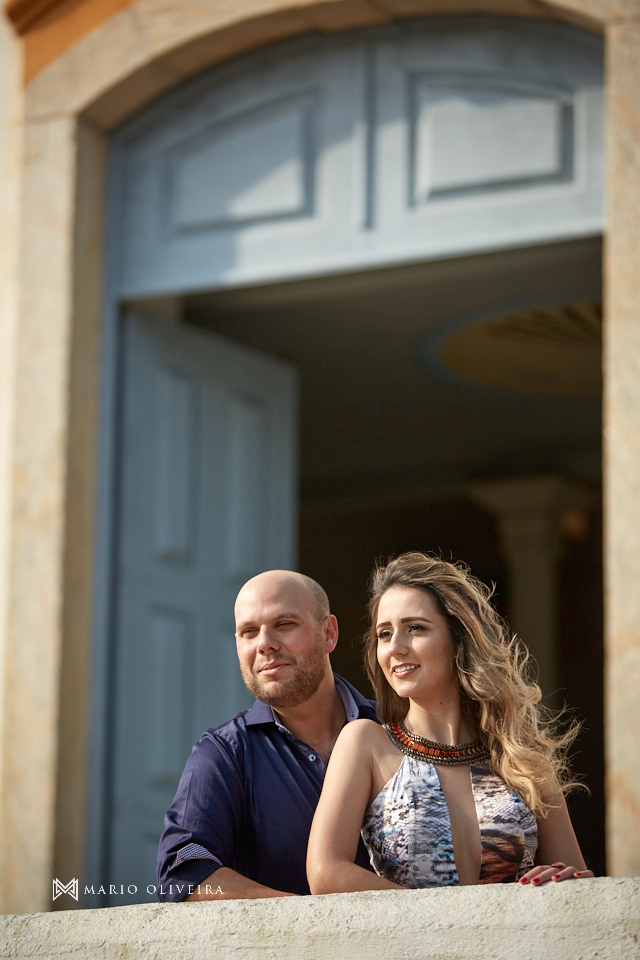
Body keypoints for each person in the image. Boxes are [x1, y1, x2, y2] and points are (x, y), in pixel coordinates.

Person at [307, 552, 594, 893]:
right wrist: (439, 921)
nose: (395, 647)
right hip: (415, 946)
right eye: (384, 634)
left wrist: (562, 879)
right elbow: (326, 872)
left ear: (459, 639)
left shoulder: (522, 756)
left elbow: (578, 881)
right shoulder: (366, 743)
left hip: (515, 945)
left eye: (415, 628)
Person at [156, 569, 378, 901]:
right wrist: (310, 923)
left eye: (284, 625)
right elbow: (183, 871)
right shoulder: (224, 754)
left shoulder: (399, 727)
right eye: (248, 632)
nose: (265, 644)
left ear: (328, 633)